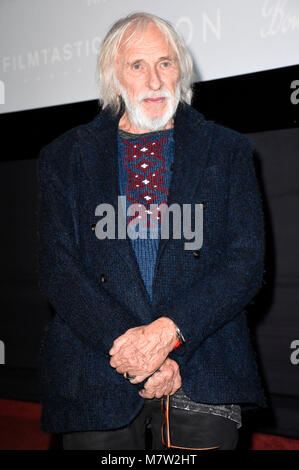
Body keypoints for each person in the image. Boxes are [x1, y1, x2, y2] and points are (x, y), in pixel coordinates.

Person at [37, 12, 267, 450]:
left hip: (204, 369)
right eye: (137, 65)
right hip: (95, 372)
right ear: (113, 75)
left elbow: (244, 263)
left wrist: (170, 339)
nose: (155, 79)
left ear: (182, 69)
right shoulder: (64, 156)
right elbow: (58, 269)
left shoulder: (229, 150)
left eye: (165, 63)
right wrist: (133, 352)